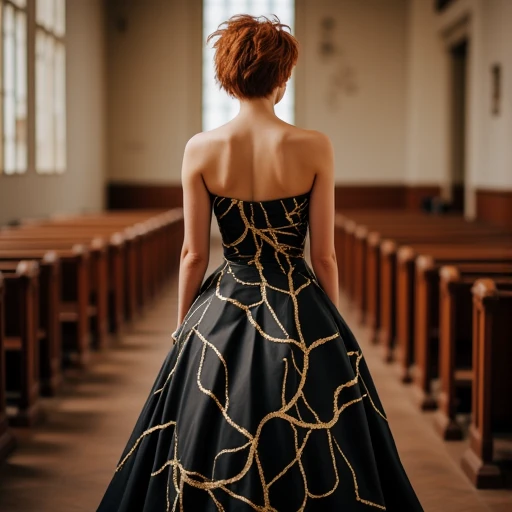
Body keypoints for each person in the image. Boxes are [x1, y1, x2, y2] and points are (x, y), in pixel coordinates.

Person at [97, 14, 423, 511]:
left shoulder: (201, 149)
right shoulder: (314, 146)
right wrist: (330, 324)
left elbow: (193, 254)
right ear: (283, 74)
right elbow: (324, 254)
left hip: (224, 303)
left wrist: (182, 326)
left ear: (227, 75)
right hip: (297, 300)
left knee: (203, 428)